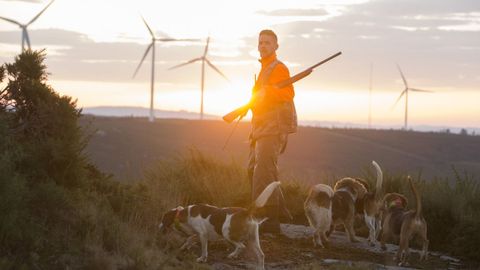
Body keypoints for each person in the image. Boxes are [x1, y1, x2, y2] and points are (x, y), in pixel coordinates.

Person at [247, 29, 297, 234]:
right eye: (260, 42)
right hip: (259, 128)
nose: (263, 46)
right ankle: (276, 212)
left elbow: (288, 93)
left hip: (272, 128)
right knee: (254, 170)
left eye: (267, 42)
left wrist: (269, 92)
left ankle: (271, 219)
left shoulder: (279, 68)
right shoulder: (265, 69)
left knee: (264, 172)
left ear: (276, 46)